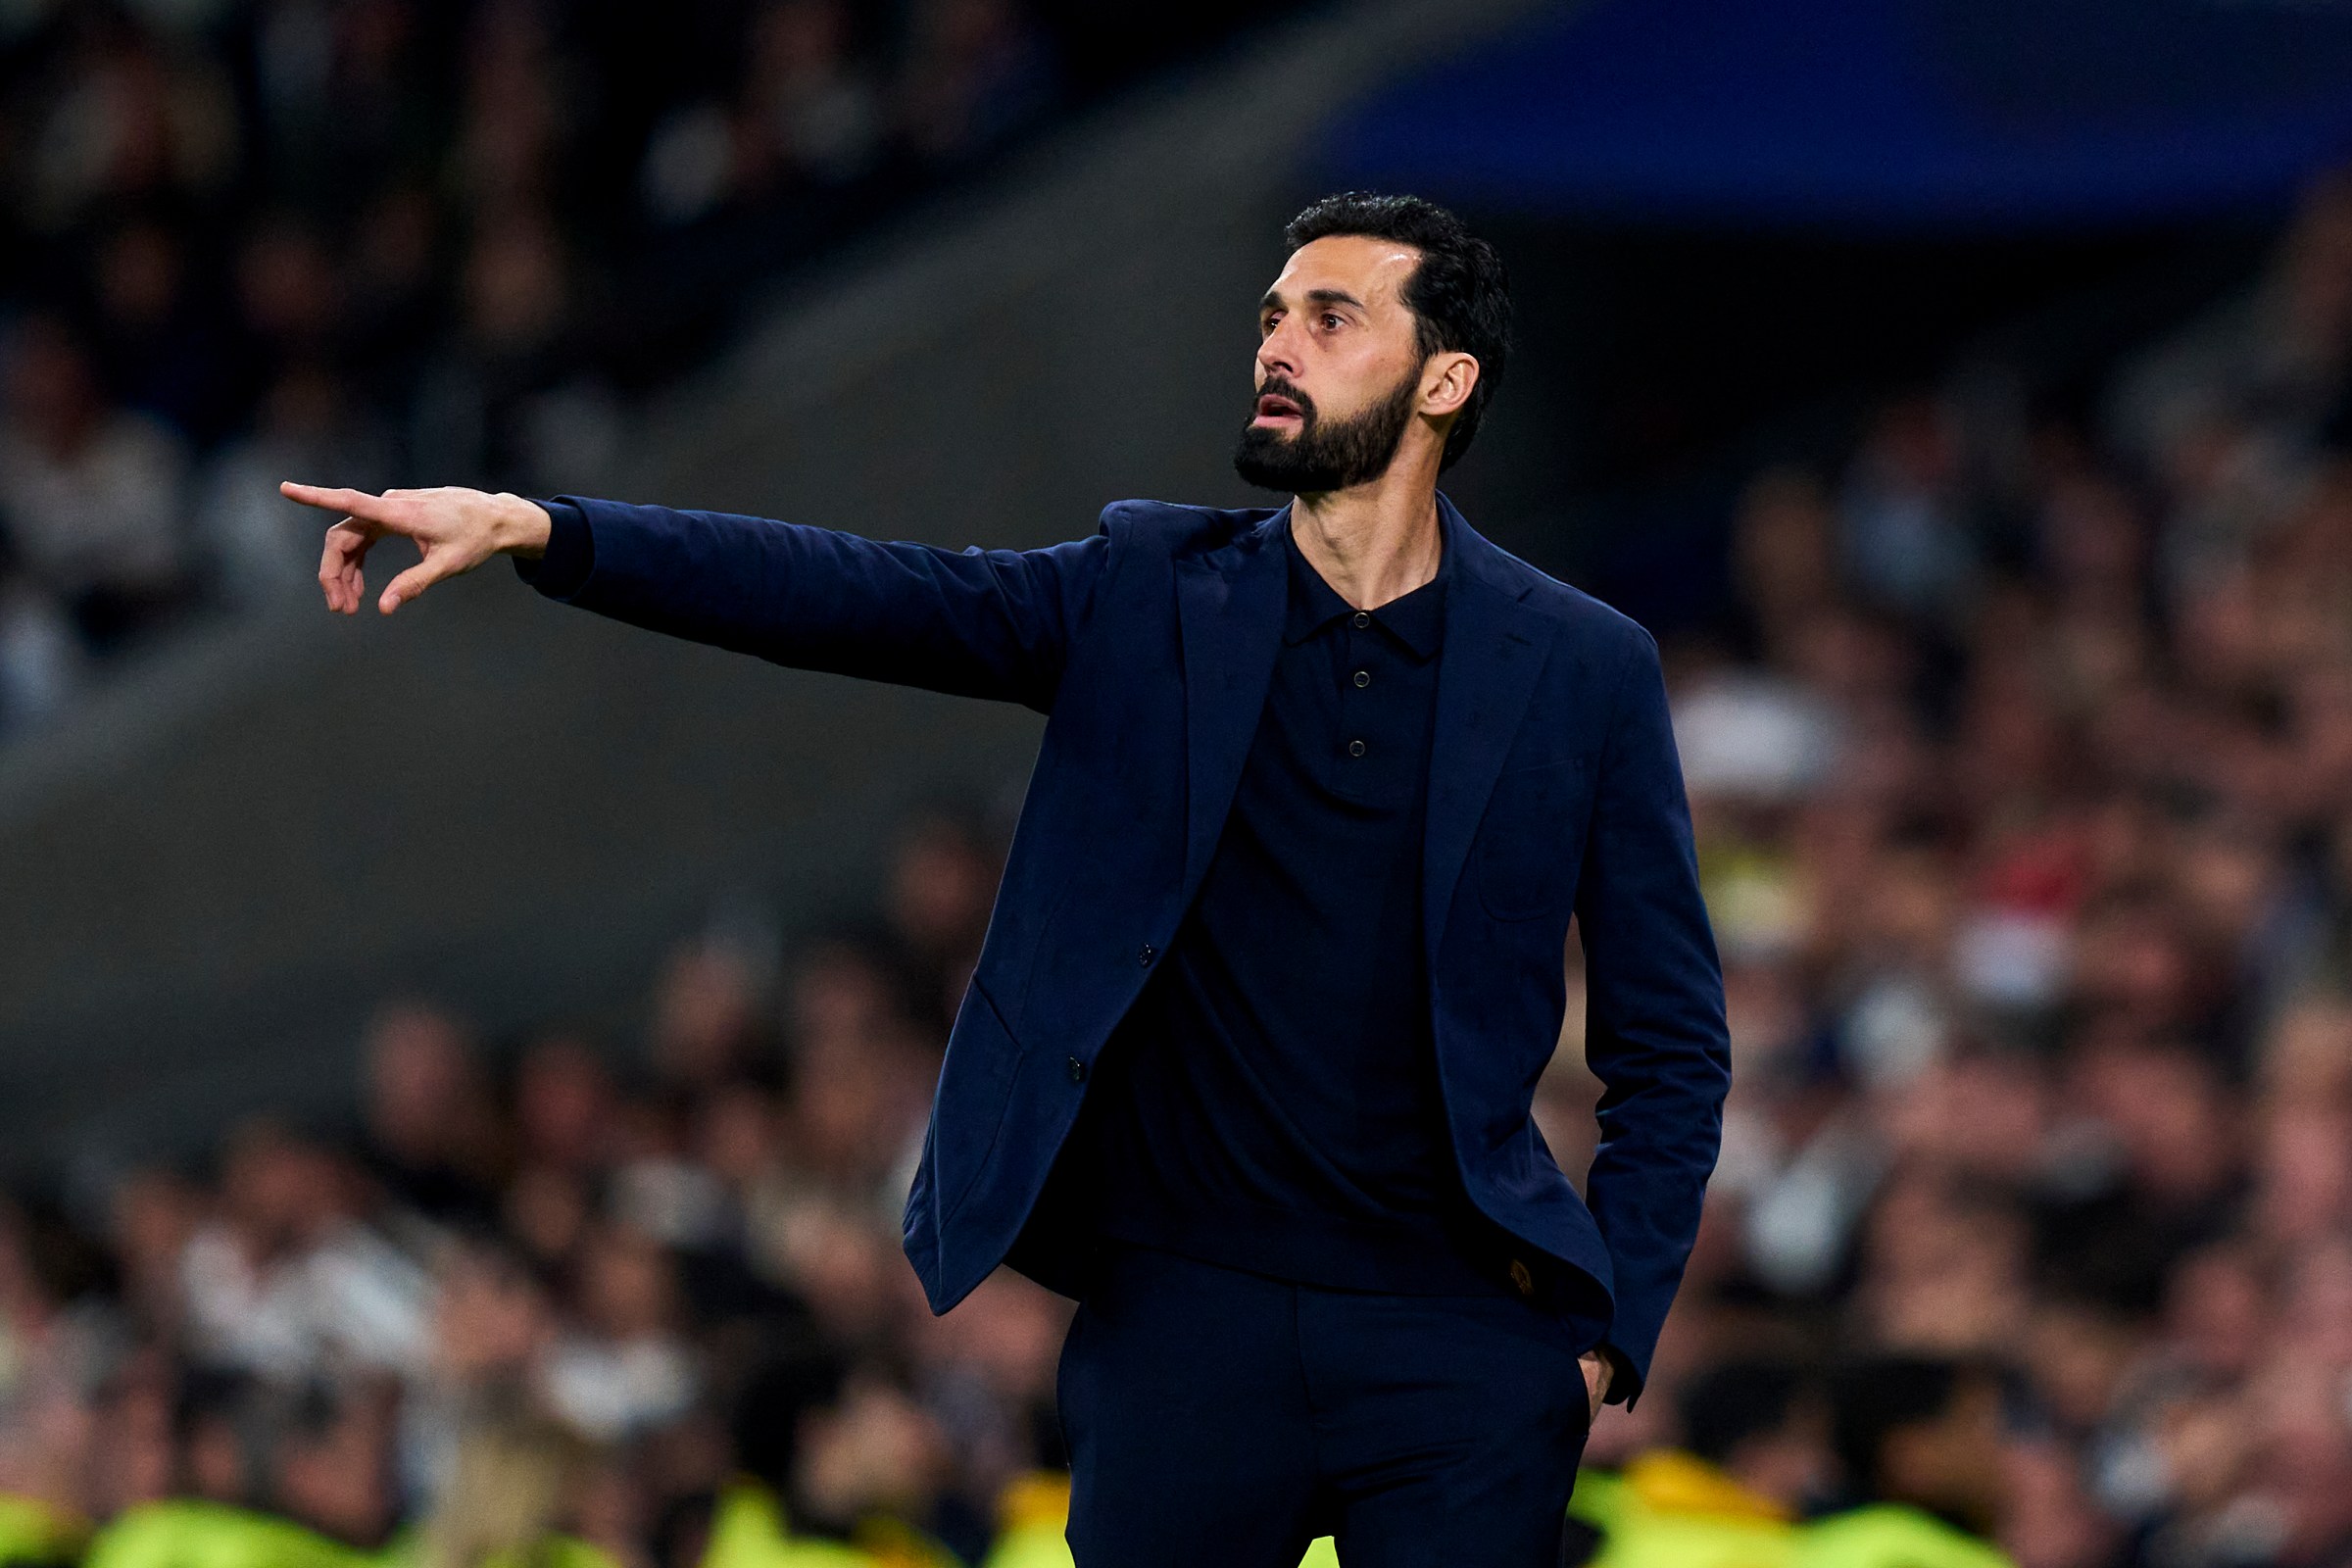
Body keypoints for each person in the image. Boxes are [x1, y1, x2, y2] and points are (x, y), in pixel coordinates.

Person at [282, 191, 1731, 1567]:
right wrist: (548, 530)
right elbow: (852, 595)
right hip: (1189, 1322)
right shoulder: (1147, 589)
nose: (1277, 345)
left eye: (1331, 318)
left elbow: (1668, 1039)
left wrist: (1609, 1327)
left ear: (1443, 380)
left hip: (1460, 1334)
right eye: (1272, 315)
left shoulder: (1581, 667)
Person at [1798, 1357, 2013, 1568]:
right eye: (1973, 1423)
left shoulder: (1814, 1545)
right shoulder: (1903, 1557)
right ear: (1910, 1453)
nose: (1992, 1445)